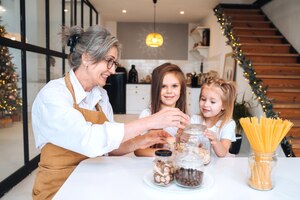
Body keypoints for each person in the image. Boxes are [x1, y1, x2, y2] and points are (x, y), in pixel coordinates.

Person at [31, 25, 189, 200]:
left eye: (114, 63)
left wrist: (144, 139)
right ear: (87, 58)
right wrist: (150, 121)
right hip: (59, 188)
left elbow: (110, 147)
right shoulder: (53, 95)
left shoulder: (101, 96)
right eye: (110, 61)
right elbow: (89, 139)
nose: (113, 70)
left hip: (92, 179)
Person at [134, 63, 187, 157]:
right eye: (163, 86)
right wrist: (165, 153)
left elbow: (183, 148)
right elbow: (138, 151)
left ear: (181, 89)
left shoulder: (183, 118)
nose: (169, 91)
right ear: (156, 89)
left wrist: (183, 137)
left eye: (174, 86)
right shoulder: (147, 115)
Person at [190, 78, 236, 157]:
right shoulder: (195, 119)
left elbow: (222, 153)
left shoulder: (228, 124)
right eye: (203, 99)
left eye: (212, 102)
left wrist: (215, 141)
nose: (206, 104)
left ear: (224, 105)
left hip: (220, 166)